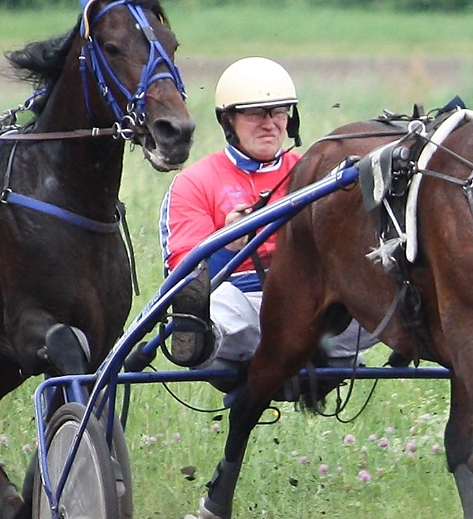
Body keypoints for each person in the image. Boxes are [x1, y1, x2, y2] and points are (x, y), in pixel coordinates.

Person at [157, 56, 370, 372]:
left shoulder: (315, 173)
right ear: (229, 120)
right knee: (215, 307)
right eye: (256, 113)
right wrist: (226, 244)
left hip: (315, 306)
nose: (270, 123)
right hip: (243, 306)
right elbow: (182, 276)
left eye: (278, 112)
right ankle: (201, 340)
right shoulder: (195, 182)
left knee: (380, 297)